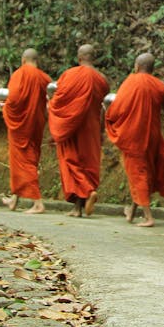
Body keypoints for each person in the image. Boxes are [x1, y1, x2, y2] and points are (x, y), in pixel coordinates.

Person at [105, 53, 164, 228]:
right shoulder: (161, 87)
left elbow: (117, 109)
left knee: (139, 174)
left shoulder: (130, 83)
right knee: (143, 174)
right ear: (153, 69)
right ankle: (132, 212)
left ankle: (148, 217)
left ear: (136, 66)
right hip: (153, 137)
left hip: (134, 136)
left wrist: (110, 120)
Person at [49, 44, 109, 217]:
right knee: (87, 164)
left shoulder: (69, 75)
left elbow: (59, 102)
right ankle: (78, 208)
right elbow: (104, 108)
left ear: (79, 58)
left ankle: (88, 192)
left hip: (71, 128)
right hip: (91, 128)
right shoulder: (102, 79)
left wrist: (50, 105)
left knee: (71, 162)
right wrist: (102, 131)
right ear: (94, 58)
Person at [0, 49, 51, 214]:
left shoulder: (19, 74)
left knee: (25, 162)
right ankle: (15, 199)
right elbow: (50, 103)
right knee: (26, 160)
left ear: (23, 60)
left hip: (20, 126)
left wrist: (5, 108)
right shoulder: (45, 78)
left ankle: (38, 203)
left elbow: (13, 99)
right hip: (36, 125)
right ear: (37, 60)